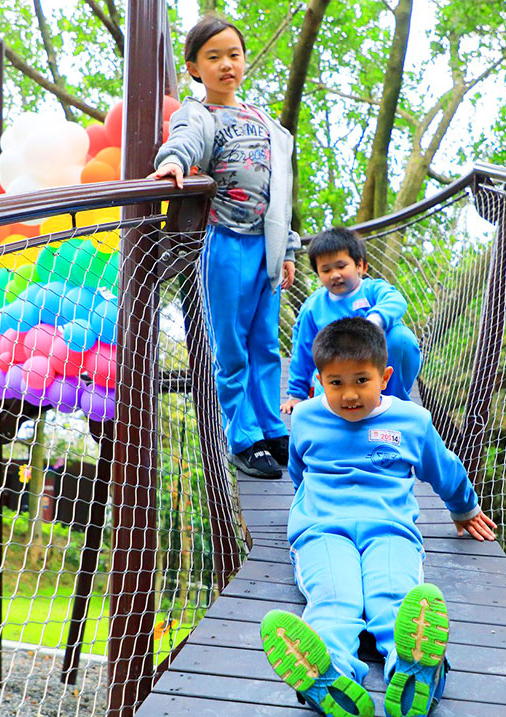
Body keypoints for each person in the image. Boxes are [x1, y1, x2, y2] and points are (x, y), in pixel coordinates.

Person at [260, 317, 497, 717]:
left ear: (385, 377)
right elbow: (300, 471)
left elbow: (445, 469)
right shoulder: (308, 417)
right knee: (335, 598)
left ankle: (417, 672)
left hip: (389, 528)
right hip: (322, 530)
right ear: (318, 381)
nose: (349, 394)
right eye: (336, 383)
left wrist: (465, 509)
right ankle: (329, 675)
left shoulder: (411, 421)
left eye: (361, 380)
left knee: (394, 596)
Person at [150, 14, 298, 480]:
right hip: (226, 241)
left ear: (244, 61)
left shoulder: (264, 121)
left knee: (266, 344)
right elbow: (186, 139)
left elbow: (282, 190)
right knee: (231, 346)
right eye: (213, 57)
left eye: (233, 55)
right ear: (195, 68)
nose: (226, 65)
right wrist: (174, 161)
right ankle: (244, 437)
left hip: (267, 245)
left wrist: (289, 249)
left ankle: (273, 428)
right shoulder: (200, 112)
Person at [282, 227, 422, 413]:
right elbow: (303, 350)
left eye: (341, 266)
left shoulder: (372, 290)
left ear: (360, 267)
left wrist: (374, 320)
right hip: (337, 381)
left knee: (400, 337)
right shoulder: (314, 307)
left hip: (373, 374)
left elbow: (396, 301)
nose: (335, 274)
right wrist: (296, 394)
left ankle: (392, 405)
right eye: (326, 269)